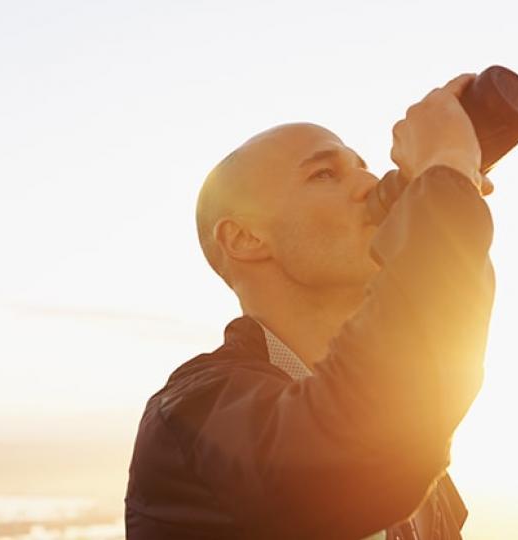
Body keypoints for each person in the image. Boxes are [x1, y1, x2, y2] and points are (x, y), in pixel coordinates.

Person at [125, 74, 496, 539]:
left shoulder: (418, 454)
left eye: (362, 167)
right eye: (324, 174)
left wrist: (445, 194)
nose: (369, 183)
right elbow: (349, 450)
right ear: (245, 237)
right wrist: (446, 176)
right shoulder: (195, 417)